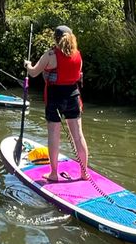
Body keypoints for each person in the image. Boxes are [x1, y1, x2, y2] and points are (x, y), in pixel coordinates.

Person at [24, 25, 89, 182]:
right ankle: (84, 173)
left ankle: (53, 174)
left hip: (55, 98)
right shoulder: (78, 55)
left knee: (54, 135)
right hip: (73, 96)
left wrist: (27, 64)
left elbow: (33, 72)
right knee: (78, 136)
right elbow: (77, 74)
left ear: (56, 39)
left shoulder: (50, 55)